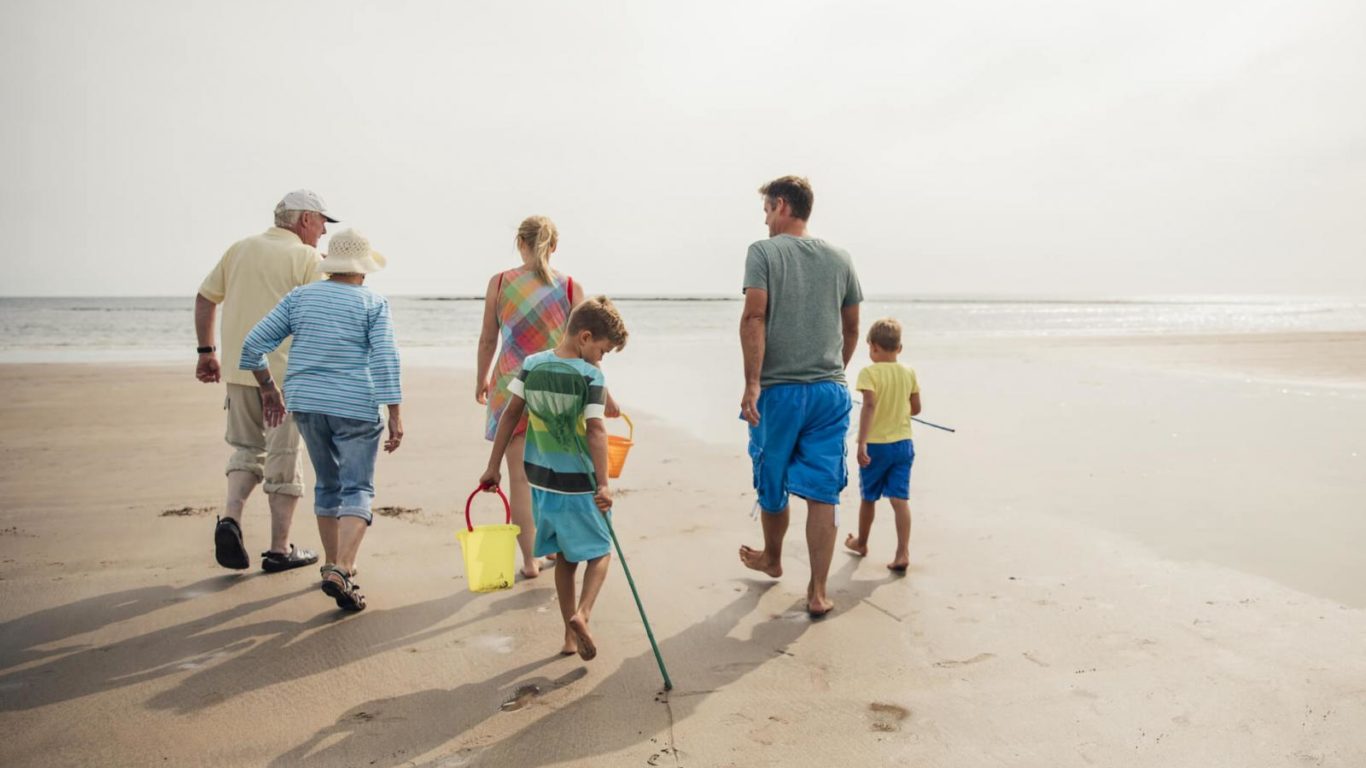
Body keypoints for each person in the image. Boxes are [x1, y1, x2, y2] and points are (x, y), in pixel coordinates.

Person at [239, 229, 403, 612]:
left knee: (328, 484)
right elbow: (384, 358)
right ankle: (343, 567)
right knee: (358, 486)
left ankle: (333, 566)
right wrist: (394, 411)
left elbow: (251, 346)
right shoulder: (373, 303)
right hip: (356, 405)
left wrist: (268, 387)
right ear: (363, 270)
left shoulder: (300, 297)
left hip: (306, 402)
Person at [738, 175, 862, 617]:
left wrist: (753, 382)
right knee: (823, 493)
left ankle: (773, 558)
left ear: (783, 205)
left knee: (772, 481)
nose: (766, 220)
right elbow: (851, 328)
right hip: (830, 392)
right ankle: (818, 591)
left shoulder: (763, 252)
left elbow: (754, 316)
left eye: (768, 210)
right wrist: (832, 372)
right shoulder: (840, 257)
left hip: (779, 392)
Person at [194, 189, 336, 573]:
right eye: (323, 221)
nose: (324, 231)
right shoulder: (308, 258)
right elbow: (321, 316)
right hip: (286, 377)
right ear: (305, 219)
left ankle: (231, 518)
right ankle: (279, 549)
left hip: (241, 373)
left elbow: (206, 298)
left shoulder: (239, 249)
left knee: (245, 449)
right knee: (284, 460)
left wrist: (206, 352)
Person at [479, 297, 628, 659]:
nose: (601, 358)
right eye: (602, 350)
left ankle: (568, 637)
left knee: (564, 558)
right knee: (601, 551)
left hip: (543, 481)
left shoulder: (532, 365)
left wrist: (493, 466)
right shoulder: (590, 375)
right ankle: (583, 614)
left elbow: (510, 416)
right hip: (580, 483)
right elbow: (595, 430)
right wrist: (603, 482)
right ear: (585, 337)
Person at [475, 216, 608, 579]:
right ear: (554, 246)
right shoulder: (568, 287)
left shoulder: (500, 283)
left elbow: (489, 337)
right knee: (555, 473)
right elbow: (587, 343)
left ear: (519, 241)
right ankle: (556, 545)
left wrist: (481, 378)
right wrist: (602, 394)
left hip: (510, 385)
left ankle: (530, 560)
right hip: (559, 390)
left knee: (518, 477)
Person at [844, 318, 921, 571]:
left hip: (876, 446)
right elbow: (917, 409)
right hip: (903, 445)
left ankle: (862, 543)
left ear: (873, 347)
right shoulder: (909, 371)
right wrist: (899, 407)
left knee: (869, 497)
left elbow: (868, 406)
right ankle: (903, 551)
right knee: (900, 499)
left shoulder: (869, 373)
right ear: (899, 348)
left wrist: (861, 442)